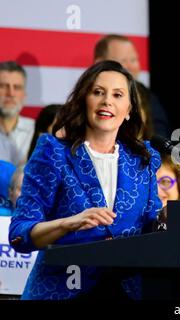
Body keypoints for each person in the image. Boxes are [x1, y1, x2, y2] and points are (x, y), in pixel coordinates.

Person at [8, 60, 162, 300]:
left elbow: (152, 227)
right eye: (98, 92)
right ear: (83, 100)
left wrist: (168, 221)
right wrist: (69, 223)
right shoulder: (52, 153)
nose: (107, 101)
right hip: (61, 290)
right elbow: (19, 234)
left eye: (117, 95)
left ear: (129, 109)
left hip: (125, 292)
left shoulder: (143, 160)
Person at [94, 34, 170, 138]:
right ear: (100, 63)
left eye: (134, 60)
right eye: (123, 61)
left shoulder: (147, 96)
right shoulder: (85, 93)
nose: (131, 67)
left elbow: (160, 134)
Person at [0, 61, 35, 163]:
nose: (10, 93)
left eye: (17, 87)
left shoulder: (36, 131)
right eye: (3, 86)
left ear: (24, 94)